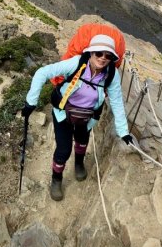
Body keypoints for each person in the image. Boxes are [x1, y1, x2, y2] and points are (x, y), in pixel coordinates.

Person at [21, 34, 134, 201]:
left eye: (108, 55)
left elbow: (117, 101)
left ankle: (79, 163)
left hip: (88, 116)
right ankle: (56, 179)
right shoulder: (76, 63)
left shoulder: (111, 74)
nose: (103, 58)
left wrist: (124, 131)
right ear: (90, 53)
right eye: (99, 53)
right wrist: (31, 102)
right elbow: (42, 72)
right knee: (63, 149)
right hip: (63, 114)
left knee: (82, 141)